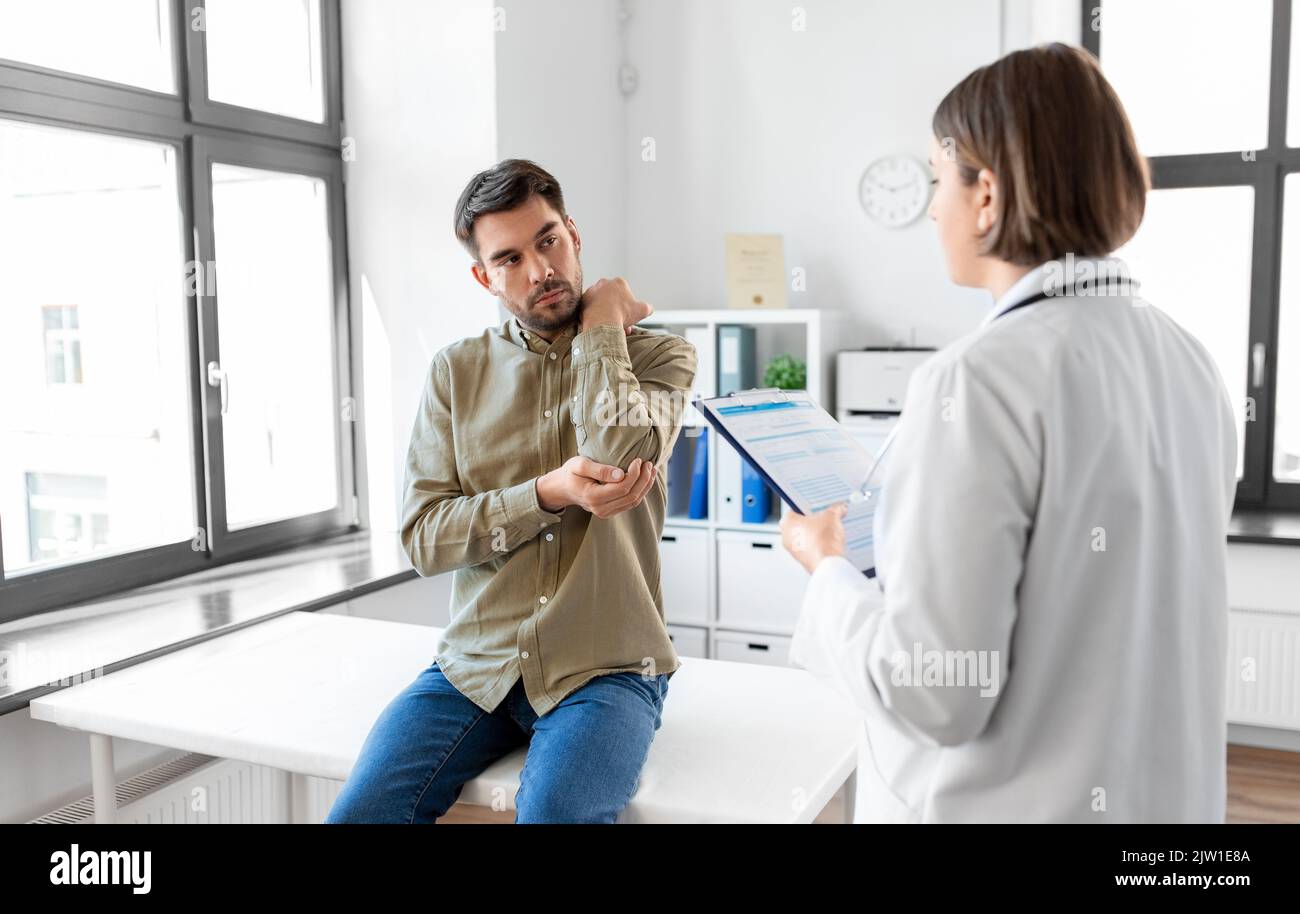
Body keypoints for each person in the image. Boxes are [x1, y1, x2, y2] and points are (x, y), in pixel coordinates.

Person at [779, 43, 1238, 823]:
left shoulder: (977, 382)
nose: (931, 208)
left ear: (985, 194)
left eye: (936, 181)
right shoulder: (1190, 360)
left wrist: (826, 569)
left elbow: (935, 691)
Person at [326, 159, 697, 824]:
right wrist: (545, 494)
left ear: (573, 234)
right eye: (510, 258)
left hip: (606, 668)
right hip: (475, 665)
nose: (539, 271)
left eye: (548, 241)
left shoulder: (660, 357)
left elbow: (618, 452)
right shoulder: (455, 373)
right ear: (483, 276)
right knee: (359, 813)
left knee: (557, 814)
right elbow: (423, 538)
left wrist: (602, 327)